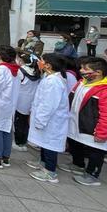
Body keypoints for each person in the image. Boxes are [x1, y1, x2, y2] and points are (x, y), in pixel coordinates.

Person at [62, 57, 107, 186]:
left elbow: (105, 114)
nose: (81, 71)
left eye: (85, 69)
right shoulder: (82, 82)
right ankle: (78, 164)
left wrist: (102, 132)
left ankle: (92, 174)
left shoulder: (103, 90)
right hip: (76, 122)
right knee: (75, 143)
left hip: (92, 127)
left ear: (98, 72)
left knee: (95, 151)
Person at [25, 53, 69, 183]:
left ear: (48, 65)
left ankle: (50, 171)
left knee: (50, 145)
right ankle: (43, 163)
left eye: (42, 61)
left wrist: (40, 120)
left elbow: (48, 104)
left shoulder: (54, 81)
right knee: (44, 142)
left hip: (51, 120)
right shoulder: (50, 77)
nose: (39, 62)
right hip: (46, 119)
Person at [0, 46, 20, 169]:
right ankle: (5, 157)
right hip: (9, 105)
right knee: (6, 130)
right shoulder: (16, 70)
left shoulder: (2, 70)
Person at [13, 52, 41, 152]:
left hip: (20, 100)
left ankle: (17, 142)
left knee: (18, 122)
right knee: (25, 122)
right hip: (31, 100)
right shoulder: (36, 71)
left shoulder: (21, 71)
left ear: (21, 60)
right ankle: (23, 141)